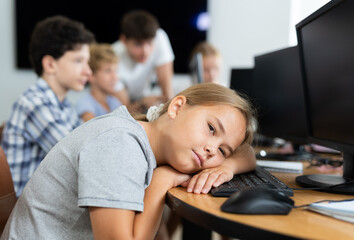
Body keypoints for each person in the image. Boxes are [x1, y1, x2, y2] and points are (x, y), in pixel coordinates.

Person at [1, 83, 257, 240]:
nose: (213, 149)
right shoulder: (120, 143)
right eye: (212, 128)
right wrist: (162, 180)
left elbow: (247, 153)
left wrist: (227, 167)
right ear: (177, 107)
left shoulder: (138, 132)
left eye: (223, 150)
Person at [1, 15, 95, 197]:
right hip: (25, 213)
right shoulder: (35, 103)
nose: (88, 71)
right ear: (50, 64)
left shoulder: (63, 104)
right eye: (78, 61)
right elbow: (80, 157)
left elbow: (85, 144)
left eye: (87, 62)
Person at [112, 10, 175, 113]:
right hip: (125, 106)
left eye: (149, 43)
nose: (145, 52)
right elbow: (124, 111)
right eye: (138, 44)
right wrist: (143, 103)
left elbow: (168, 95)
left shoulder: (159, 37)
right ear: (123, 40)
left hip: (144, 98)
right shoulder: (112, 59)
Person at [76, 43, 123, 122]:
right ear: (91, 76)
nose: (115, 77)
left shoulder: (114, 101)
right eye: (108, 71)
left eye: (116, 71)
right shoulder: (85, 104)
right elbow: (93, 130)